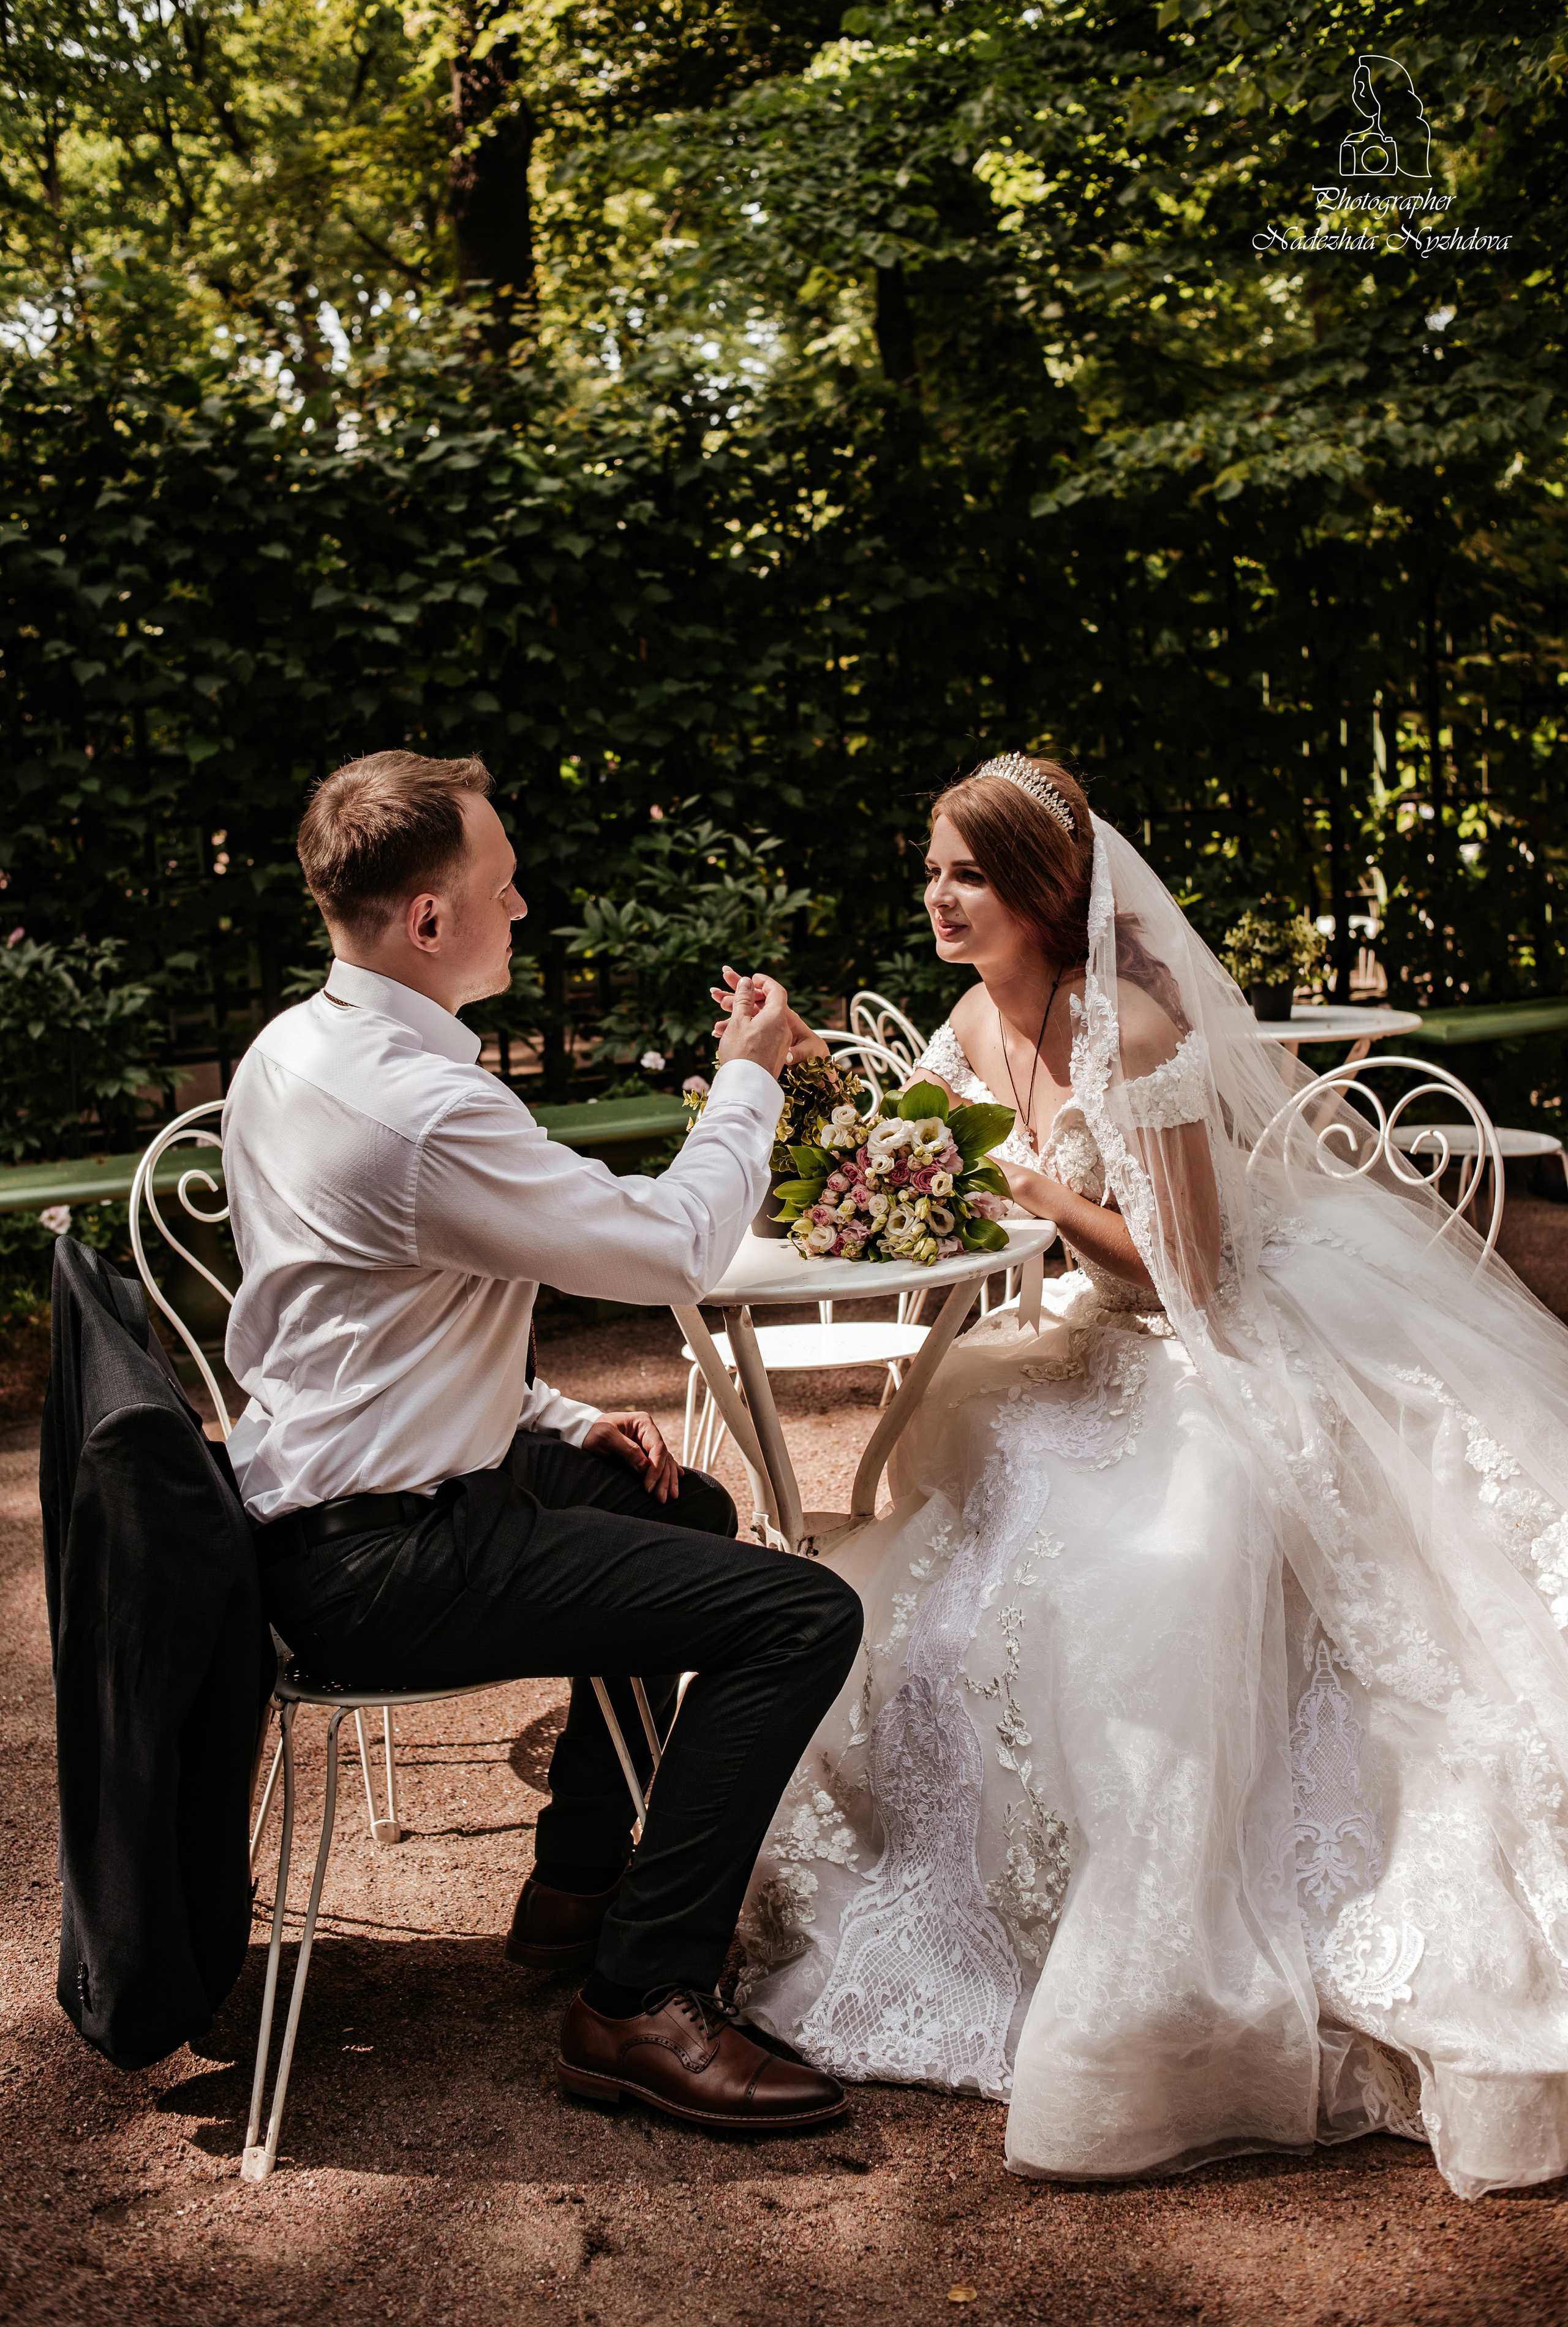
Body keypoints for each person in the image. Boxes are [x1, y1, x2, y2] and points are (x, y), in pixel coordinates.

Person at [725, 751, 1568, 2200]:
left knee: (1142, 1575)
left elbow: (1192, 1269)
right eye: (930, 869)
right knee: (938, 1570)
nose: (936, 895)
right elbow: (902, 1139)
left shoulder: (1129, 1019)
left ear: (1044, 892)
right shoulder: (965, 1017)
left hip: (1209, 1342)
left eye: (965, 874)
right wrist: (798, 1063)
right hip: (1071, 1341)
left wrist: (1024, 1189)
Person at [221, 748, 863, 2132]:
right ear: (430, 923)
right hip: (381, 1563)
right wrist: (745, 1079)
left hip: (338, 1489)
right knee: (802, 1614)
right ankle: (638, 2002)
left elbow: (355, 1323)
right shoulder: (422, 1107)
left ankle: (578, 1882)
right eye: (503, 890)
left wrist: (557, 1414)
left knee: (679, 1506)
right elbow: (671, 1245)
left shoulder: (295, 1048)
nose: (525, 909)